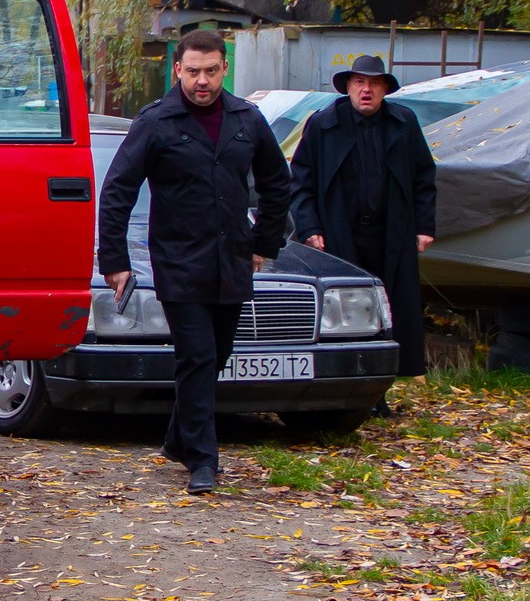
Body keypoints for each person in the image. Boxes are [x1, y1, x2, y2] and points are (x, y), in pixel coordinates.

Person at [98, 30, 292, 494]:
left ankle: (176, 438)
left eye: (210, 71)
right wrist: (116, 260)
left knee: (215, 355)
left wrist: (264, 242)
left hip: (232, 258)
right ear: (177, 71)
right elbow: (118, 191)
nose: (201, 81)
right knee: (198, 354)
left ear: (224, 70)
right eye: (192, 72)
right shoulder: (157, 121)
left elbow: (276, 182)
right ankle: (204, 461)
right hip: (178, 259)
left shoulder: (247, 119)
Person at [289, 54, 437, 380]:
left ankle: (391, 375)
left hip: (391, 233)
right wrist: (309, 227)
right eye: (359, 82)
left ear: (384, 88)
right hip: (340, 233)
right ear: (349, 87)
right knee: (350, 307)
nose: (365, 90)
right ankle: (352, 379)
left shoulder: (404, 122)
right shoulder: (323, 124)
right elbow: (300, 181)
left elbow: (424, 177)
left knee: (393, 306)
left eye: (373, 83)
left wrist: (425, 226)